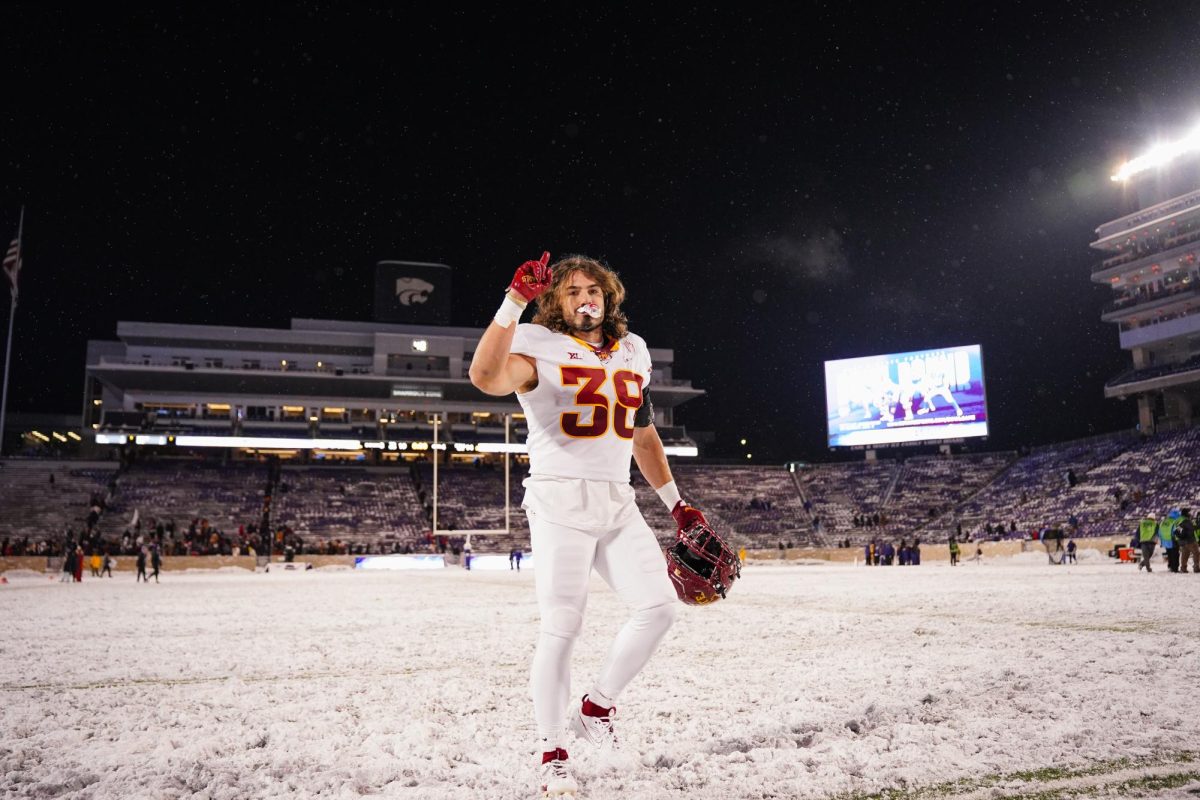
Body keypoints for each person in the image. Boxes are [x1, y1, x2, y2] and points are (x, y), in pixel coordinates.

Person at [469, 251, 709, 798]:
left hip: (616, 500)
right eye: (573, 291)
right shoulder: (537, 342)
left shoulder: (633, 351)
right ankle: (553, 748)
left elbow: (643, 436)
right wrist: (513, 302)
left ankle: (596, 706)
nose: (586, 299)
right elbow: (484, 376)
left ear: (609, 297)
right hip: (559, 500)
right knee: (562, 626)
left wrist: (677, 504)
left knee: (659, 607)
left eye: (594, 290)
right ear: (556, 300)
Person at [1178, 509, 1200, 573]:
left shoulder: (1179, 520)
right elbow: (1193, 528)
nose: (1190, 514)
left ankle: (1183, 568)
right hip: (1190, 541)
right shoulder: (1187, 521)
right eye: (1189, 512)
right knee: (1196, 553)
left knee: (1185, 555)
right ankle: (1196, 568)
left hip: (1183, 541)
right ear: (1186, 514)